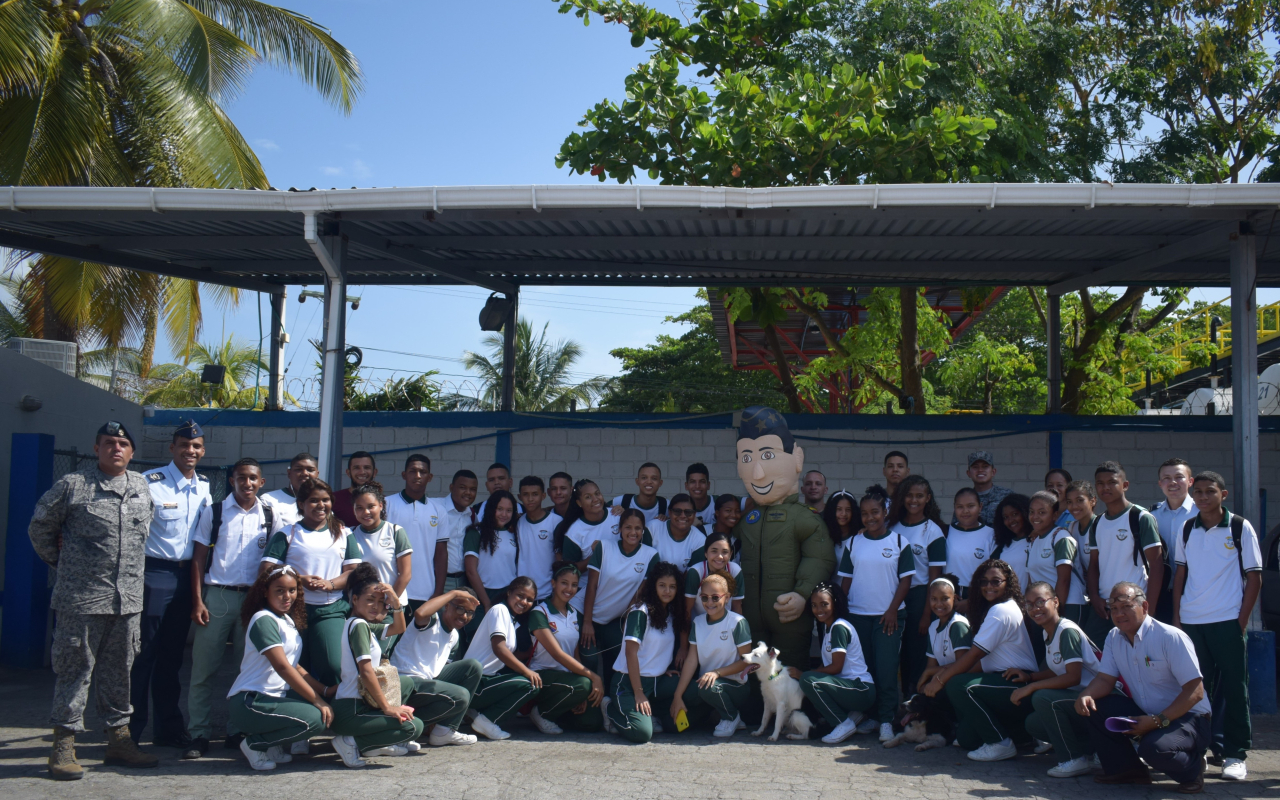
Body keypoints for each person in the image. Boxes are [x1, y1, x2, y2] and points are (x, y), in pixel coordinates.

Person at [29, 421, 160, 780]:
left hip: (127, 601)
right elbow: (40, 527)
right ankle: (63, 745)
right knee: (75, 672)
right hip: (81, 601)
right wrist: (63, 564)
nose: (115, 448)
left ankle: (119, 742)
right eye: (108, 443)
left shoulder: (141, 487)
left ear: (131, 452)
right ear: (96, 447)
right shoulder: (74, 485)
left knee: (120, 674)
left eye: (122, 443)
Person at [1075, 582, 1211, 792]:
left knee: (1154, 749)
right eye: (1114, 609)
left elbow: (1195, 692)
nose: (1119, 614)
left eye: (1126, 607)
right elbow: (1105, 680)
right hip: (1148, 713)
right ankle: (1127, 771)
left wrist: (1157, 721)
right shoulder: (1113, 637)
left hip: (1189, 717)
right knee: (1094, 708)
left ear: (1144, 607)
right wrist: (1085, 695)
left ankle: (1192, 769)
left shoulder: (1170, 637)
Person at [188, 457, 282, 758]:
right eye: (242, 477)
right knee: (204, 669)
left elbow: (281, 555)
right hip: (218, 596)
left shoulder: (270, 514)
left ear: (262, 482)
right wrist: (198, 599)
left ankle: (236, 729)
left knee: (247, 670)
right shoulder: (215, 512)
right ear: (232, 480)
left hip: (254, 601)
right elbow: (199, 558)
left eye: (253, 478)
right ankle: (198, 734)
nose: (248, 483)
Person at [1172, 470, 1262, 781]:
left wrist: (1241, 620)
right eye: (1198, 492)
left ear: (1223, 494)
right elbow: (1180, 576)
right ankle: (1196, 750)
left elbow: (1254, 576)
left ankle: (1235, 754)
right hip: (1192, 622)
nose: (1203, 497)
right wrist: (1177, 618)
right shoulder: (1186, 528)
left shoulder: (1239, 526)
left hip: (1227, 622)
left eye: (1210, 491)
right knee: (1196, 691)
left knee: (1235, 690)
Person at [733, 406, 835, 670]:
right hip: (751, 618)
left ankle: (791, 712)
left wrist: (802, 594)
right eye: (746, 458)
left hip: (790, 618)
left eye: (768, 455)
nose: (757, 473)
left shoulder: (805, 518)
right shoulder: (747, 520)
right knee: (754, 669)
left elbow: (819, 558)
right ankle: (755, 711)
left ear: (797, 458)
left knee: (789, 670)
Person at [132, 418, 211, 752]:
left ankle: (167, 728)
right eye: (184, 445)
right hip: (156, 574)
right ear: (172, 448)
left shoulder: (205, 486)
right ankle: (130, 732)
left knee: (172, 658)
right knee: (143, 656)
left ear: (202, 451)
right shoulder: (151, 483)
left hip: (188, 577)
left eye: (195, 446)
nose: (189, 451)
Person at [926, 559, 1038, 763]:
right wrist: (942, 672)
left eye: (996, 581)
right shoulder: (996, 608)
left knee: (958, 685)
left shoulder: (1001, 610)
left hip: (1017, 684)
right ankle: (1022, 735)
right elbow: (982, 661)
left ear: (1008, 583)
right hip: (1000, 683)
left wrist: (940, 679)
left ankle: (1000, 743)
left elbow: (974, 655)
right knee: (967, 738)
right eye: (983, 582)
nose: (989, 586)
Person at [225, 565, 331, 771]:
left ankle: (271, 746)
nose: (287, 596)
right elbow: (283, 667)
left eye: (292, 590)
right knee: (316, 720)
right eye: (279, 590)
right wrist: (316, 700)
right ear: (265, 592)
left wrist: (323, 691)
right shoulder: (263, 619)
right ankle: (254, 744)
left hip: (272, 698)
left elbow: (295, 666)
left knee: (323, 707)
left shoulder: (286, 620)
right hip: (252, 701)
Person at [259, 477, 362, 687]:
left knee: (333, 665)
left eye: (326, 500)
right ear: (301, 504)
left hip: (330, 610)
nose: (321, 505)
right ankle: (301, 712)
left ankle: (335, 711)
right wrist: (299, 580)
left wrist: (331, 584)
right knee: (296, 665)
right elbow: (266, 570)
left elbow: (353, 572)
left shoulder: (344, 533)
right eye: (314, 500)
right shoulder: (287, 534)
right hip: (294, 610)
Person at [838, 485, 913, 742]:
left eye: (875, 512)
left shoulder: (900, 543)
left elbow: (905, 582)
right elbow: (845, 581)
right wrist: (843, 613)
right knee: (864, 670)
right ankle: (870, 716)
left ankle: (886, 720)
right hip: (858, 616)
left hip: (888, 618)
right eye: (865, 513)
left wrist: (892, 610)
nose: (870, 518)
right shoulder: (853, 543)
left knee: (886, 670)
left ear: (885, 513)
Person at [329, 563, 422, 767]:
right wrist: (388, 708)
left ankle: (375, 743)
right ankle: (350, 742)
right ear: (354, 599)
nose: (376, 606)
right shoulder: (359, 626)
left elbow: (399, 627)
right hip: (351, 709)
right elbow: (365, 671)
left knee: (404, 689)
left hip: (361, 704)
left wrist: (395, 601)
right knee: (412, 728)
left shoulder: (361, 624)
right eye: (370, 600)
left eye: (380, 602)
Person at [1012, 581, 1102, 779]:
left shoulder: (1066, 631)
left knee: (1043, 698)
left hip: (1098, 700)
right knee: (1034, 724)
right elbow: (1058, 669)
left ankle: (1073, 759)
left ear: (1055, 602)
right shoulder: (1048, 631)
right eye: (1028, 604)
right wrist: (1030, 677)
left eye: (1040, 602)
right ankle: (1097, 749)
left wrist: (1032, 686)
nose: (1034, 609)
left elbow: (1073, 676)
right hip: (1078, 701)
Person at [578, 508, 660, 690]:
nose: (633, 532)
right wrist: (587, 621)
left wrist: (626, 621)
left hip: (613, 620)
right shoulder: (604, 547)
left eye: (638, 528)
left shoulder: (650, 555)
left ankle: (607, 699)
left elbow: (639, 593)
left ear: (643, 531)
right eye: (628, 527)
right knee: (589, 658)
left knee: (617, 655)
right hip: (585, 612)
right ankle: (588, 699)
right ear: (620, 529)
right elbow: (591, 586)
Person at [605, 563, 688, 743]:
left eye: (672, 587)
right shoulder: (640, 612)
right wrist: (639, 692)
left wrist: (659, 668)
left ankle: (654, 713)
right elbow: (630, 654)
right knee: (642, 733)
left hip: (656, 680)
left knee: (693, 689)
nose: (667, 591)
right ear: (653, 586)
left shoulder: (671, 612)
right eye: (662, 585)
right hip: (628, 683)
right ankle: (610, 710)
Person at [392, 588, 485, 747]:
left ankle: (445, 730)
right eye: (460, 608)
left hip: (426, 684)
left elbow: (441, 672)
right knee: (460, 695)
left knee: (473, 667)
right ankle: (403, 731)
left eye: (470, 612)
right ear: (447, 605)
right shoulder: (432, 620)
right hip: (406, 682)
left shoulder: (454, 636)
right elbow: (420, 614)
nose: (464, 616)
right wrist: (454, 593)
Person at [1085, 461, 1162, 643]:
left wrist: (1148, 607)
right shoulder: (1097, 523)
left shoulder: (1141, 518)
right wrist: (1095, 597)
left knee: (1136, 661)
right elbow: (1094, 565)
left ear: (1125, 485)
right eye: (1100, 483)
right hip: (1104, 606)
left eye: (1112, 482)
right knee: (1097, 658)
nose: (1106, 488)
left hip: (1132, 604)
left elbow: (1157, 566)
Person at [526, 564, 606, 734]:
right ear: (553, 583)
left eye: (574, 585)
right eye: (564, 583)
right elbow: (558, 654)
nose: (569, 589)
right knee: (584, 684)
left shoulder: (573, 613)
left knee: (592, 723)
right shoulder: (540, 612)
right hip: (542, 676)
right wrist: (594, 677)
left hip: (567, 679)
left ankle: (560, 712)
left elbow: (575, 653)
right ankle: (541, 713)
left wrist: (579, 696)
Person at [671, 573, 754, 737]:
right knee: (677, 718)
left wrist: (717, 673)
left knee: (709, 688)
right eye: (704, 597)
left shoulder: (737, 622)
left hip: (734, 685)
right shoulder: (698, 622)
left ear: (727, 597)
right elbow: (691, 660)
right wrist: (677, 696)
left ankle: (731, 717)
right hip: (706, 685)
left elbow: (747, 661)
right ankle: (716, 713)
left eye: (715, 597)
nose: (709, 603)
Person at [461, 576, 543, 740]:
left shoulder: (511, 618)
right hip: (476, 681)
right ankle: (486, 720)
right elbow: (499, 649)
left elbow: (505, 654)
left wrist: (526, 655)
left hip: (486, 678)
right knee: (531, 685)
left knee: (525, 679)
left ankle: (476, 712)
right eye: (520, 595)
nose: (524, 601)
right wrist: (527, 671)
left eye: (529, 599)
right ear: (509, 592)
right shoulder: (499, 610)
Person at [797, 582, 876, 744]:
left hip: (861, 689)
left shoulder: (839, 627)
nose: (819, 610)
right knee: (808, 679)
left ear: (836, 603)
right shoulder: (828, 628)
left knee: (807, 680)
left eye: (824, 604)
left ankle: (843, 723)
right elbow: (826, 666)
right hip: (849, 687)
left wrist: (804, 676)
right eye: (814, 605)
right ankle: (854, 716)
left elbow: (836, 667)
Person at [890, 475, 947, 694]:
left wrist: (926, 613)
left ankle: (914, 703)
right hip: (893, 596)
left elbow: (935, 578)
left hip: (920, 597)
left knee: (916, 654)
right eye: (909, 495)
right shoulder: (892, 526)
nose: (914, 500)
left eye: (919, 496)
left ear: (928, 498)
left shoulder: (933, 531)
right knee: (898, 653)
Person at [350, 483, 412, 654]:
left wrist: (384, 607)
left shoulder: (395, 531)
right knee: (360, 657)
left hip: (389, 609)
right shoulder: (350, 535)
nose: (366, 512)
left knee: (379, 656)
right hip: (361, 610)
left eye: (371, 506)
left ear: (381, 506)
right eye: (359, 508)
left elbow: (405, 574)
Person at [386, 454, 447, 609]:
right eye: (412, 471)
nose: (418, 476)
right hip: (392, 589)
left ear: (430, 477)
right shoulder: (386, 504)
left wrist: (438, 591)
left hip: (426, 591)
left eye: (423, 472)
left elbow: (441, 554)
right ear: (404, 475)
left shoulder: (439, 510)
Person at [1025, 490, 1086, 630]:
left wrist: (1057, 611)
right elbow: (1032, 579)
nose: (1035, 517)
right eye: (1032, 512)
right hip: (1042, 608)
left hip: (1067, 606)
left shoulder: (1061, 538)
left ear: (1055, 515)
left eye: (1042, 512)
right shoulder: (1033, 542)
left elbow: (1064, 580)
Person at [917, 575, 970, 723]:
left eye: (945, 598)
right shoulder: (933, 627)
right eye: (934, 599)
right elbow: (931, 664)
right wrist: (925, 682)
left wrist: (930, 673)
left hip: (957, 681)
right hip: (942, 678)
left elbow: (964, 665)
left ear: (955, 599)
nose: (939, 604)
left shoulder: (958, 625)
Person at [1151, 458, 1196, 623]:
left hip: (1193, 593)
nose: (1173, 482)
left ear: (1190, 481)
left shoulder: (1201, 515)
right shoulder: (1152, 516)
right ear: (1160, 483)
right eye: (1166, 478)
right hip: (1161, 593)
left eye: (1179, 477)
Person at [946, 487, 995, 612]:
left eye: (971, 506)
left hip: (980, 595)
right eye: (960, 507)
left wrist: (973, 601)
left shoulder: (991, 535)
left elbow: (994, 572)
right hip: (948, 594)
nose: (965, 511)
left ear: (980, 507)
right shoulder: (945, 532)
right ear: (954, 507)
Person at [553, 479, 615, 571]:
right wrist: (596, 555)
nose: (595, 499)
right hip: (588, 584)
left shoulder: (617, 515)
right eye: (588, 497)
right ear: (579, 503)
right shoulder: (574, 532)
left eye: (597, 493)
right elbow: (569, 570)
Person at [516, 476, 561, 601]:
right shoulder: (517, 523)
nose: (530, 499)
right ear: (519, 497)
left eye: (535, 494)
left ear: (543, 495)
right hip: (522, 594)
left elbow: (560, 560)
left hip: (547, 593)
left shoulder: (556, 522)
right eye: (526, 494)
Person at [435, 469, 479, 591]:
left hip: (463, 581)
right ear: (451, 487)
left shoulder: (472, 514)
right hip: (438, 580)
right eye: (463, 487)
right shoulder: (435, 508)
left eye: (473, 489)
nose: (468, 493)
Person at [1062, 480, 1098, 626]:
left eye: (1079, 500)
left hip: (1102, 595)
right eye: (1069, 502)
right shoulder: (1072, 527)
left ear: (1093, 501)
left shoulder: (1100, 525)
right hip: (1087, 595)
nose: (1074, 506)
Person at [685, 532, 745, 617]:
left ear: (730, 554)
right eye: (714, 551)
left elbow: (737, 606)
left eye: (725, 552)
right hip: (698, 625)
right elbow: (687, 609)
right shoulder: (696, 572)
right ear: (705, 553)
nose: (720, 556)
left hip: (726, 625)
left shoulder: (735, 571)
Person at [647, 493, 706, 572]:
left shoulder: (700, 540)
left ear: (694, 514)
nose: (683, 516)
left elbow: (691, 576)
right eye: (677, 511)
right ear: (670, 512)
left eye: (688, 512)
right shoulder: (652, 527)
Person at [261, 453, 318, 530]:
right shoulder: (269, 500)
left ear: (317, 474)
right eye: (298, 469)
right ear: (289, 473)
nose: (305, 473)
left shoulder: (323, 502)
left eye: (310, 470)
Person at [958, 451, 1012, 526]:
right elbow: (956, 525)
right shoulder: (964, 498)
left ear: (993, 472)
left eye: (985, 466)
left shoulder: (1007, 495)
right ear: (968, 473)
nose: (980, 470)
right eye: (975, 467)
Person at [992, 494, 1033, 590]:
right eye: (1006, 517)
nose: (1011, 520)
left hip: (1033, 602)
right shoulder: (1002, 547)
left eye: (1015, 514)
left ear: (1025, 513)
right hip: (1008, 602)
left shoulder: (1037, 540)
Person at [331, 451, 377, 528]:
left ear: (374, 472)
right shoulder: (333, 499)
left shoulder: (383, 501)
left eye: (366, 467)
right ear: (348, 473)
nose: (362, 472)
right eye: (356, 468)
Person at [822, 490, 857, 581]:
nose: (843, 514)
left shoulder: (859, 536)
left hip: (853, 592)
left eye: (848, 510)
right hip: (830, 591)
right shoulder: (824, 535)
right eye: (839, 509)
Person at [685, 463, 717, 528]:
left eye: (702, 481)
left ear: (708, 485)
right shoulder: (679, 507)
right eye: (693, 481)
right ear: (686, 486)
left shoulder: (718, 502)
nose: (697, 486)